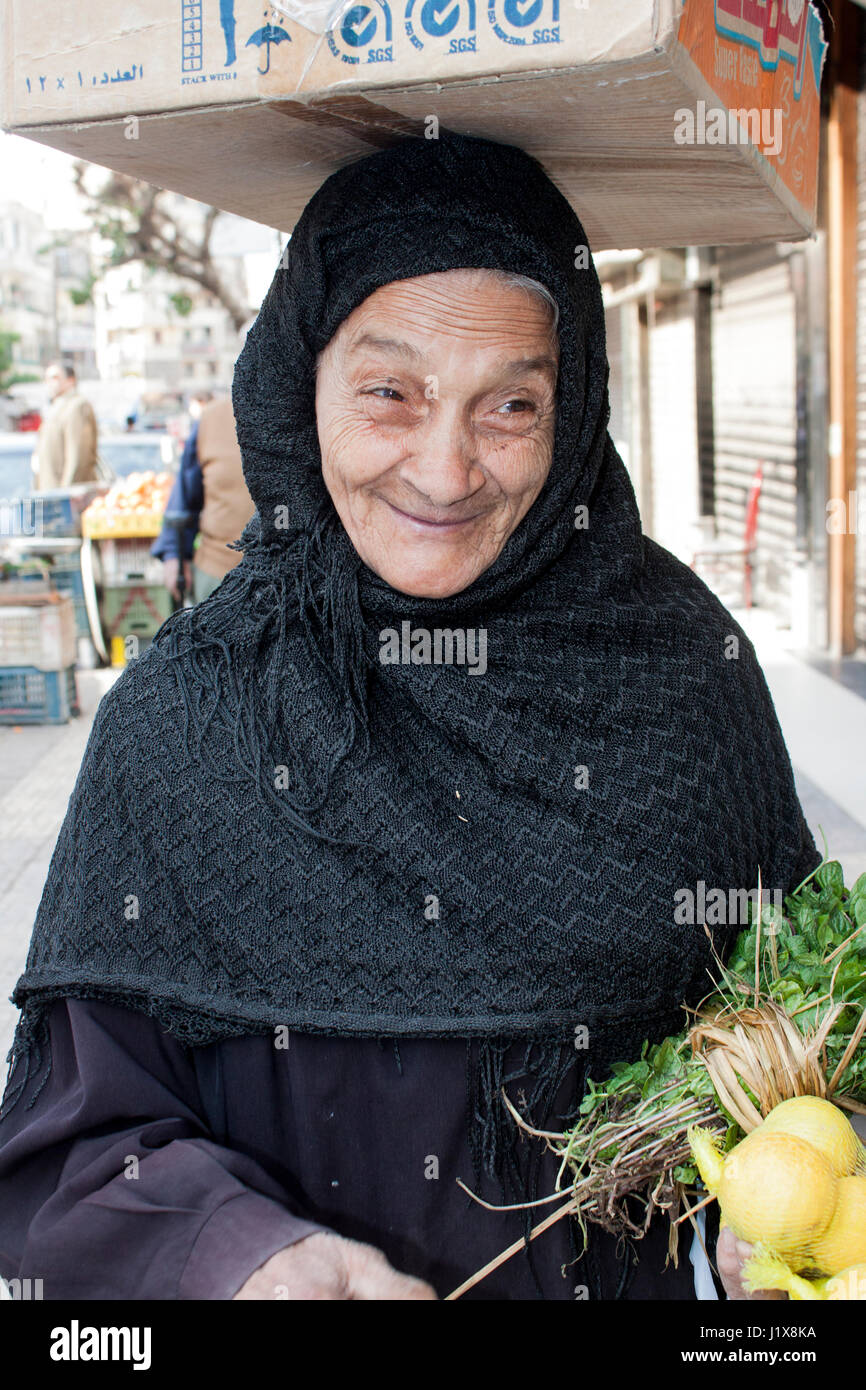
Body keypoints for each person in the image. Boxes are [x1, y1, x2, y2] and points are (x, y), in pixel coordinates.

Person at [0, 132, 817, 1301]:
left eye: (510, 405)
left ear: (573, 404)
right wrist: (245, 1258)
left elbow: (793, 1038)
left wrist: (775, 1213)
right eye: (389, 392)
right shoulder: (187, 716)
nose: (443, 471)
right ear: (302, 384)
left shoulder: (683, 669)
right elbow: (64, 1159)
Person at [152, 391, 255, 606]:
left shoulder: (319, 407)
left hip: (299, 579)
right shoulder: (212, 418)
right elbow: (185, 497)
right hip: (219, 574)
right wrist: (173, 554)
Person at [33, 361, 99, 491]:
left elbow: (77, 456)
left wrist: (67, 492)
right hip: (50, 491)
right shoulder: (55, 407)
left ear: (71, 380)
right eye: (47, 378)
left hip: (66, 497)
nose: (49, 382)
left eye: (55, 377)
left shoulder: (77, 406)